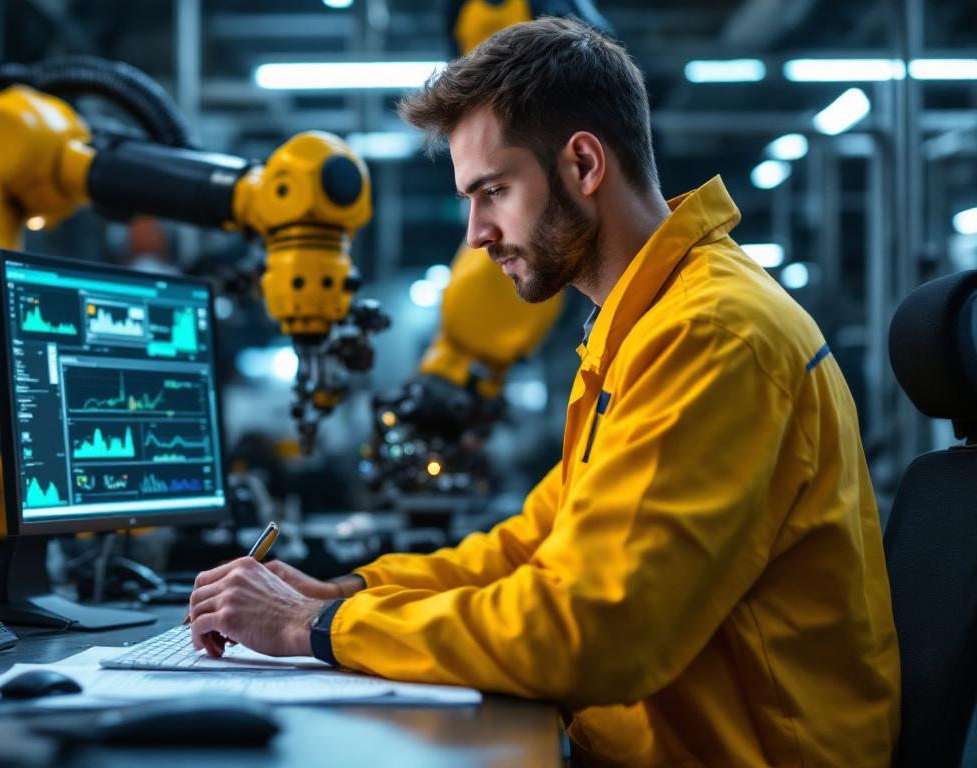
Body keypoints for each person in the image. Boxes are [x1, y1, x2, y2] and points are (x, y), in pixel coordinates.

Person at [187, 17, 900, 766]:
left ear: (584, 164)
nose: (475, 233)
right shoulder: (639, 326)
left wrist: (313, 631)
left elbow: (596, 634)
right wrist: (343, 592)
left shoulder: (713, 335)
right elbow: (532, 548)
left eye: (492, 191)